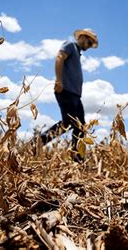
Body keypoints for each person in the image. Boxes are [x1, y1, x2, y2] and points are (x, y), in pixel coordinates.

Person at [35, 28, 98, 162]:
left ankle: (77, 157)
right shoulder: (70, 45)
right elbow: (59, 57)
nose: (89, 45)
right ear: (82, 37)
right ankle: (37, 144)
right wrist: (58, 80)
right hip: (66, 91)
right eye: (89, 41)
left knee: (79, 126)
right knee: (71, 123)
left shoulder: (78, 53)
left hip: (75, 95)